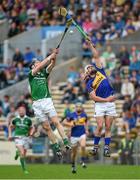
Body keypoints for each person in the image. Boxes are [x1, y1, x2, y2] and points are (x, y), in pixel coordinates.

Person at [28, 48, 71, 158]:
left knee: (56, 122)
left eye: (39, 61)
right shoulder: (31, 74)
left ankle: (66, 142)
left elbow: (51, 65)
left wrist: (54, 56)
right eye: (36, 62)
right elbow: (41, 65)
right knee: (47, 127)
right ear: (33, 66)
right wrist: (50, 56)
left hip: (47, 100)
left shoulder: (43, 74)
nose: (38, 63)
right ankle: (56, 147)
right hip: (37, 104)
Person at [84, 39, 116, 157]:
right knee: (100, 126)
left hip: (110, 103)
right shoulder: (89, 84)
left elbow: (96, 55)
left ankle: (106, 148)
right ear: (87, 73)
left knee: (108, 127)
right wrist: (107, 100)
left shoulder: (100, 71)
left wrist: (91, 45)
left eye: (90, 66)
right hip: (101, 104)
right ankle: (95, 147)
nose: (90, 68)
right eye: (88, 68)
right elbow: (94, 97)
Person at [8, 106, 35, 174]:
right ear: (18, 111)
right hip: (18, 138)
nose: (21, 112)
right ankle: (24, 170)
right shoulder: (15, 119)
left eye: (23, 110)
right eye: (20, 110)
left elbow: (32, 127)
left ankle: (17, 152)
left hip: (26, 138)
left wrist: (31, 133)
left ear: (25, 111)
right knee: (22, 153)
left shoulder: (28, 119)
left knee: (23, 154)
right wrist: (10, 135)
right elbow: (10, 126)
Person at [63, 103, 88, 173]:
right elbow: (63, 122)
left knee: (83, 146)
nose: (79, 108)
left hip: (82, 134)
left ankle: (82, 160)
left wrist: (86, 130)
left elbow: (86, 123)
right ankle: (73, 165)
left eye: (80, 107)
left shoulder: (84, 115)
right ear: (75, 107)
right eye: (77, 107)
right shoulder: (71, 115)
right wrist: (70, 124)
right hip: (74, 135)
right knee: (74, 153)